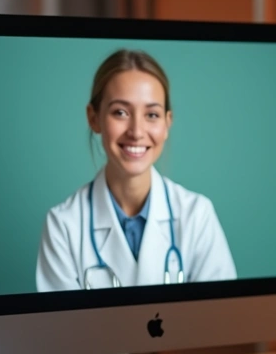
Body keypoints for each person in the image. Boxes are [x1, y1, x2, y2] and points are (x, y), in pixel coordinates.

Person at [36, 49, 236, 291]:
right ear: (94, 118)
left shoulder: (197, 216)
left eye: (152, 114)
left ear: (167, 123)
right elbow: (62, 328)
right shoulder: (64, 225)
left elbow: (218, 322)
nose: (137, 131)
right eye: (120, 112)